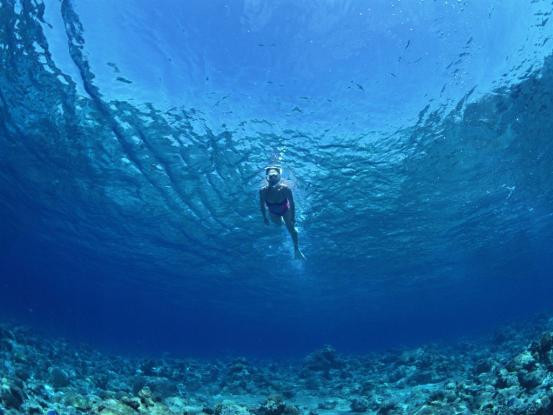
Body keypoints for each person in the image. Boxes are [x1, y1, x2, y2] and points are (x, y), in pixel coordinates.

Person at [259, 166, 305, 260]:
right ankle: (284, 223)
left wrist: (293, 217)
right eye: (270, 176)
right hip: (273, 212)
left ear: (279, 177)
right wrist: (264, 217)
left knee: (291, 229)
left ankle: (297, 250)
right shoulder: (263, 191)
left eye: (275, 176)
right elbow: (262, 205)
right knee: (279, 224)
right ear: (267, 178)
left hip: (285, 210)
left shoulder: (285, 189)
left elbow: (292, 204)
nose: (273, 178)